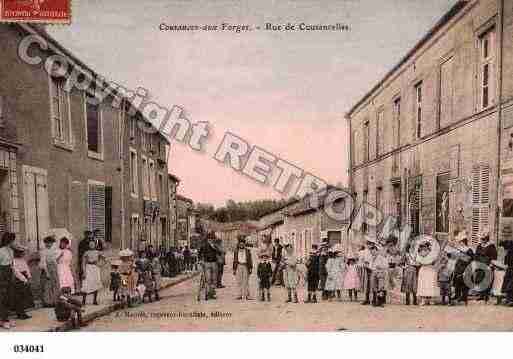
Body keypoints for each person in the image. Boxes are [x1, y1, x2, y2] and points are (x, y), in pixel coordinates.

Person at [9, 244, 33, 319]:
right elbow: (16, 272)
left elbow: (27, 268)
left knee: (24, 297)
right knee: (18, 297)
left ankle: (23, 312)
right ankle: (20, 313)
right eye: (19, 252)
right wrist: (24, 279)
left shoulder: (23, 260)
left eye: (22, 252)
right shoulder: (13, 261)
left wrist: (29, 277)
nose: (22, 254)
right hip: (18, 280)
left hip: (25, 278)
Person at [475, 230, 498, 303]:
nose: (482, 240)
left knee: (487, 280)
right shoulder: (479, 246)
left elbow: (494, 257)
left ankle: (486, 296)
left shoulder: (491, 246)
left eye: (483, 239)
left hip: (487, 265)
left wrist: (491, 265)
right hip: (480, 265)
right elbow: (476, 255)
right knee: (480, 279)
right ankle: (481, 295)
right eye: (481, 239)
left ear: (487, 239)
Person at [0, 232, 17, 329]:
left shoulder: (11, 250)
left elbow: (12, 265)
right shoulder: (1, 251)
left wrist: (13, 275)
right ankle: (3, 320)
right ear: (9, 240)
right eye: (13, 240)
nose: (14, 242)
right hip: (2, 275)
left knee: (7, 298)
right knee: (2, 298)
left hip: (9, 274)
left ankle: (5, 318)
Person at [451, 231, 473, 305]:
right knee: (457, 282)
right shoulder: (459, 249)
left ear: (464, 242)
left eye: (461, 242)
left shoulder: (469, 250)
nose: (460, 243)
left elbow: (470, 260)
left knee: (464, 283)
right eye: (460, 242)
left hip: (465, 268)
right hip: (458, 268)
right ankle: (457, 296)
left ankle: (464, 297)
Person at [81, 240, 105, 305]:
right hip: (88, 268)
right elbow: (83, 262)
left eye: (93, 244)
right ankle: (83, 300)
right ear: (88, 245)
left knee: (95, 283)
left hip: (95, 268)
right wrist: (84, 271)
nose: (91, 245)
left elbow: (104, 259)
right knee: (86, 283)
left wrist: (100, 264)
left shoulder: (98, 252)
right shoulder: (86, 252)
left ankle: (94, 300)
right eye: (90, 244)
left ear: (95, 245)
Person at [39, 235, 59, 307]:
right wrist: (47, 273)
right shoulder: (43, 251)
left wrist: (56, 268)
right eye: (47, 242)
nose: (49, 244)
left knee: (54, 285)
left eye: (51, 243)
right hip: (47, 269)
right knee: (47, 286)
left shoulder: (53, 250)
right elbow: (43, 263)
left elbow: (54, 261)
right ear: (45, 243)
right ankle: (47, 302)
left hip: (53, 269)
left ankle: (54, 300)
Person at [199, 233, 219, 300]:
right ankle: (207, 294)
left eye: (212, 239)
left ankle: (212, 293)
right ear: (207, 239)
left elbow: (219, 252)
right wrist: (200, 261)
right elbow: (200, 253)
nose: (211, 240)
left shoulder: (215, 245)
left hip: (214, 263)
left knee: (214, 279)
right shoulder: (204, 245)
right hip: (207, 263)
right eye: (210, 239)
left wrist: (215, 247)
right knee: (208, 279)